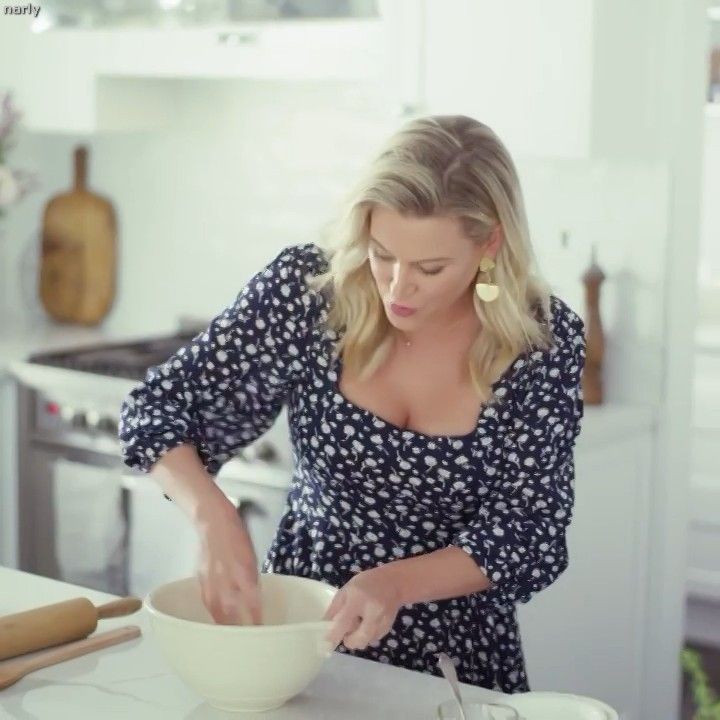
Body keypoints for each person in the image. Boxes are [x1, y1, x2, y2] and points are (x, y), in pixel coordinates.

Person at [119, 114, 586, 693]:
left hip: (458, 668)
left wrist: (395, 583)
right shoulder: (310, 295)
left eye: (430, 268)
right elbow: (158, 408)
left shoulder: (540, 344)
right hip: (302, 646)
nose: (397, 287)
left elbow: (531, 532)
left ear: (490, 242)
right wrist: (215, 518)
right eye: (382, 253)